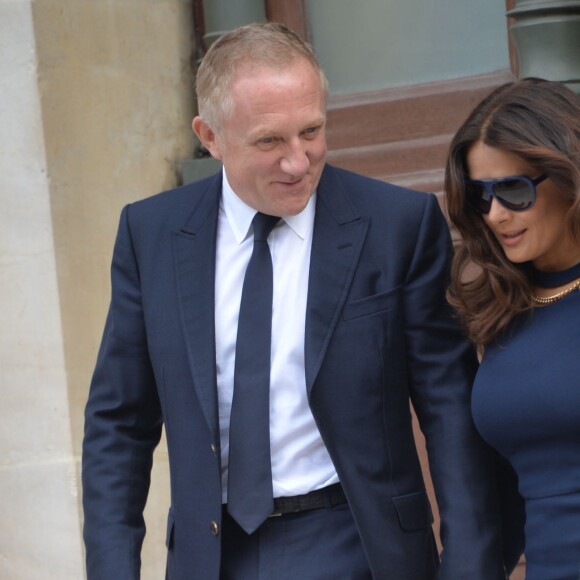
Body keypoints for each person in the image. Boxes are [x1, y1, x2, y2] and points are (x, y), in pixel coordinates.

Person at [82, 22, 513, 580]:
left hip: (358, 546)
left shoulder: (396, 227)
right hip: (209, 556)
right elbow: (119, 424)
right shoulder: (151, 235)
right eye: (268, 140)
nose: (297, 161)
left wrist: (470, 567)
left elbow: (450, 410)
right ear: (210, 136)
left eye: (311, 131)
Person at [445, 77, 580, 580]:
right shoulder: (502, 309)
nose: (496, 214)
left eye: (514, 190)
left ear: (568, 176)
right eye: (481, 196)